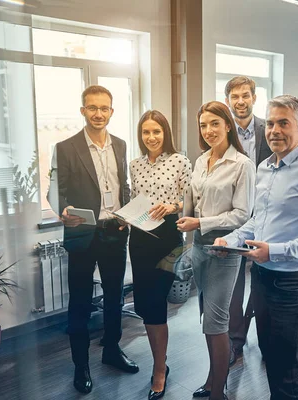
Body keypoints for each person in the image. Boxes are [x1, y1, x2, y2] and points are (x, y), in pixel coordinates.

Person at [214, 95, 298, 400]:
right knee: (270, 356)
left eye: (284, 123)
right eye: (270, 123)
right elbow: (258, 222)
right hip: (261, 277)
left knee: (286, 371)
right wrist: (229, 240)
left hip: (291, 283)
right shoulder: (265, 168)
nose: (274, 130)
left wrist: (276, 250)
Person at [48, 85, 138, 395]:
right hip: (82, 232)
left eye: (104, 108)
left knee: (116, 296)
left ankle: (112, 350)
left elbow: (122, 184)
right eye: (92, 107)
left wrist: (127, 213)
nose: (98, 113)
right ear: (83, 110)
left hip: (114, 230)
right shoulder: (65, 147)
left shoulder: (122, 145)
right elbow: (55, 190)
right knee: (80, 303)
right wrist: (61, 210)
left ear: (112, 111)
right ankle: (80, 365)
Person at [177, 101, 256, 400]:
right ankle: (212, 379)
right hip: (199, 246)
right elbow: (195, 200)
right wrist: (185, 216)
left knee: (217, 322)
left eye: (214, 123)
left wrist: (201, 220)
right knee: (206, 320)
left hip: (225, 249)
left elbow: (242, 214)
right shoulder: (200, 161)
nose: (208, 130)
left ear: (227, 125)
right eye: (203, 125)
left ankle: (218, 393)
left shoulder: (242, 165)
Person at [128, 110, 191, 400]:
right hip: (139, 237)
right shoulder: (135, 165)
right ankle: (160, 362)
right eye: (145, 132)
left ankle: (159, 370)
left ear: (165, 132)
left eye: (156, 131)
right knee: (144, 305)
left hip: (168, 239)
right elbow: (134, 200)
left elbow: (191, 202)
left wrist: (172, 206)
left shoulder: (180, 161)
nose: (151, 137)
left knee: (155, 304)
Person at [224, 76, 272, 365]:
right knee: (233, 288)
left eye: (245, 96)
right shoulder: (223, 130)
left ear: (254, 98)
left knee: (264, 285)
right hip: (233, 219)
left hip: (267, 217)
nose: (240, 102)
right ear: (229, 100)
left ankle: (265, 339)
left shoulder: (271, 129)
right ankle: (235, 341)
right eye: (235, 97)